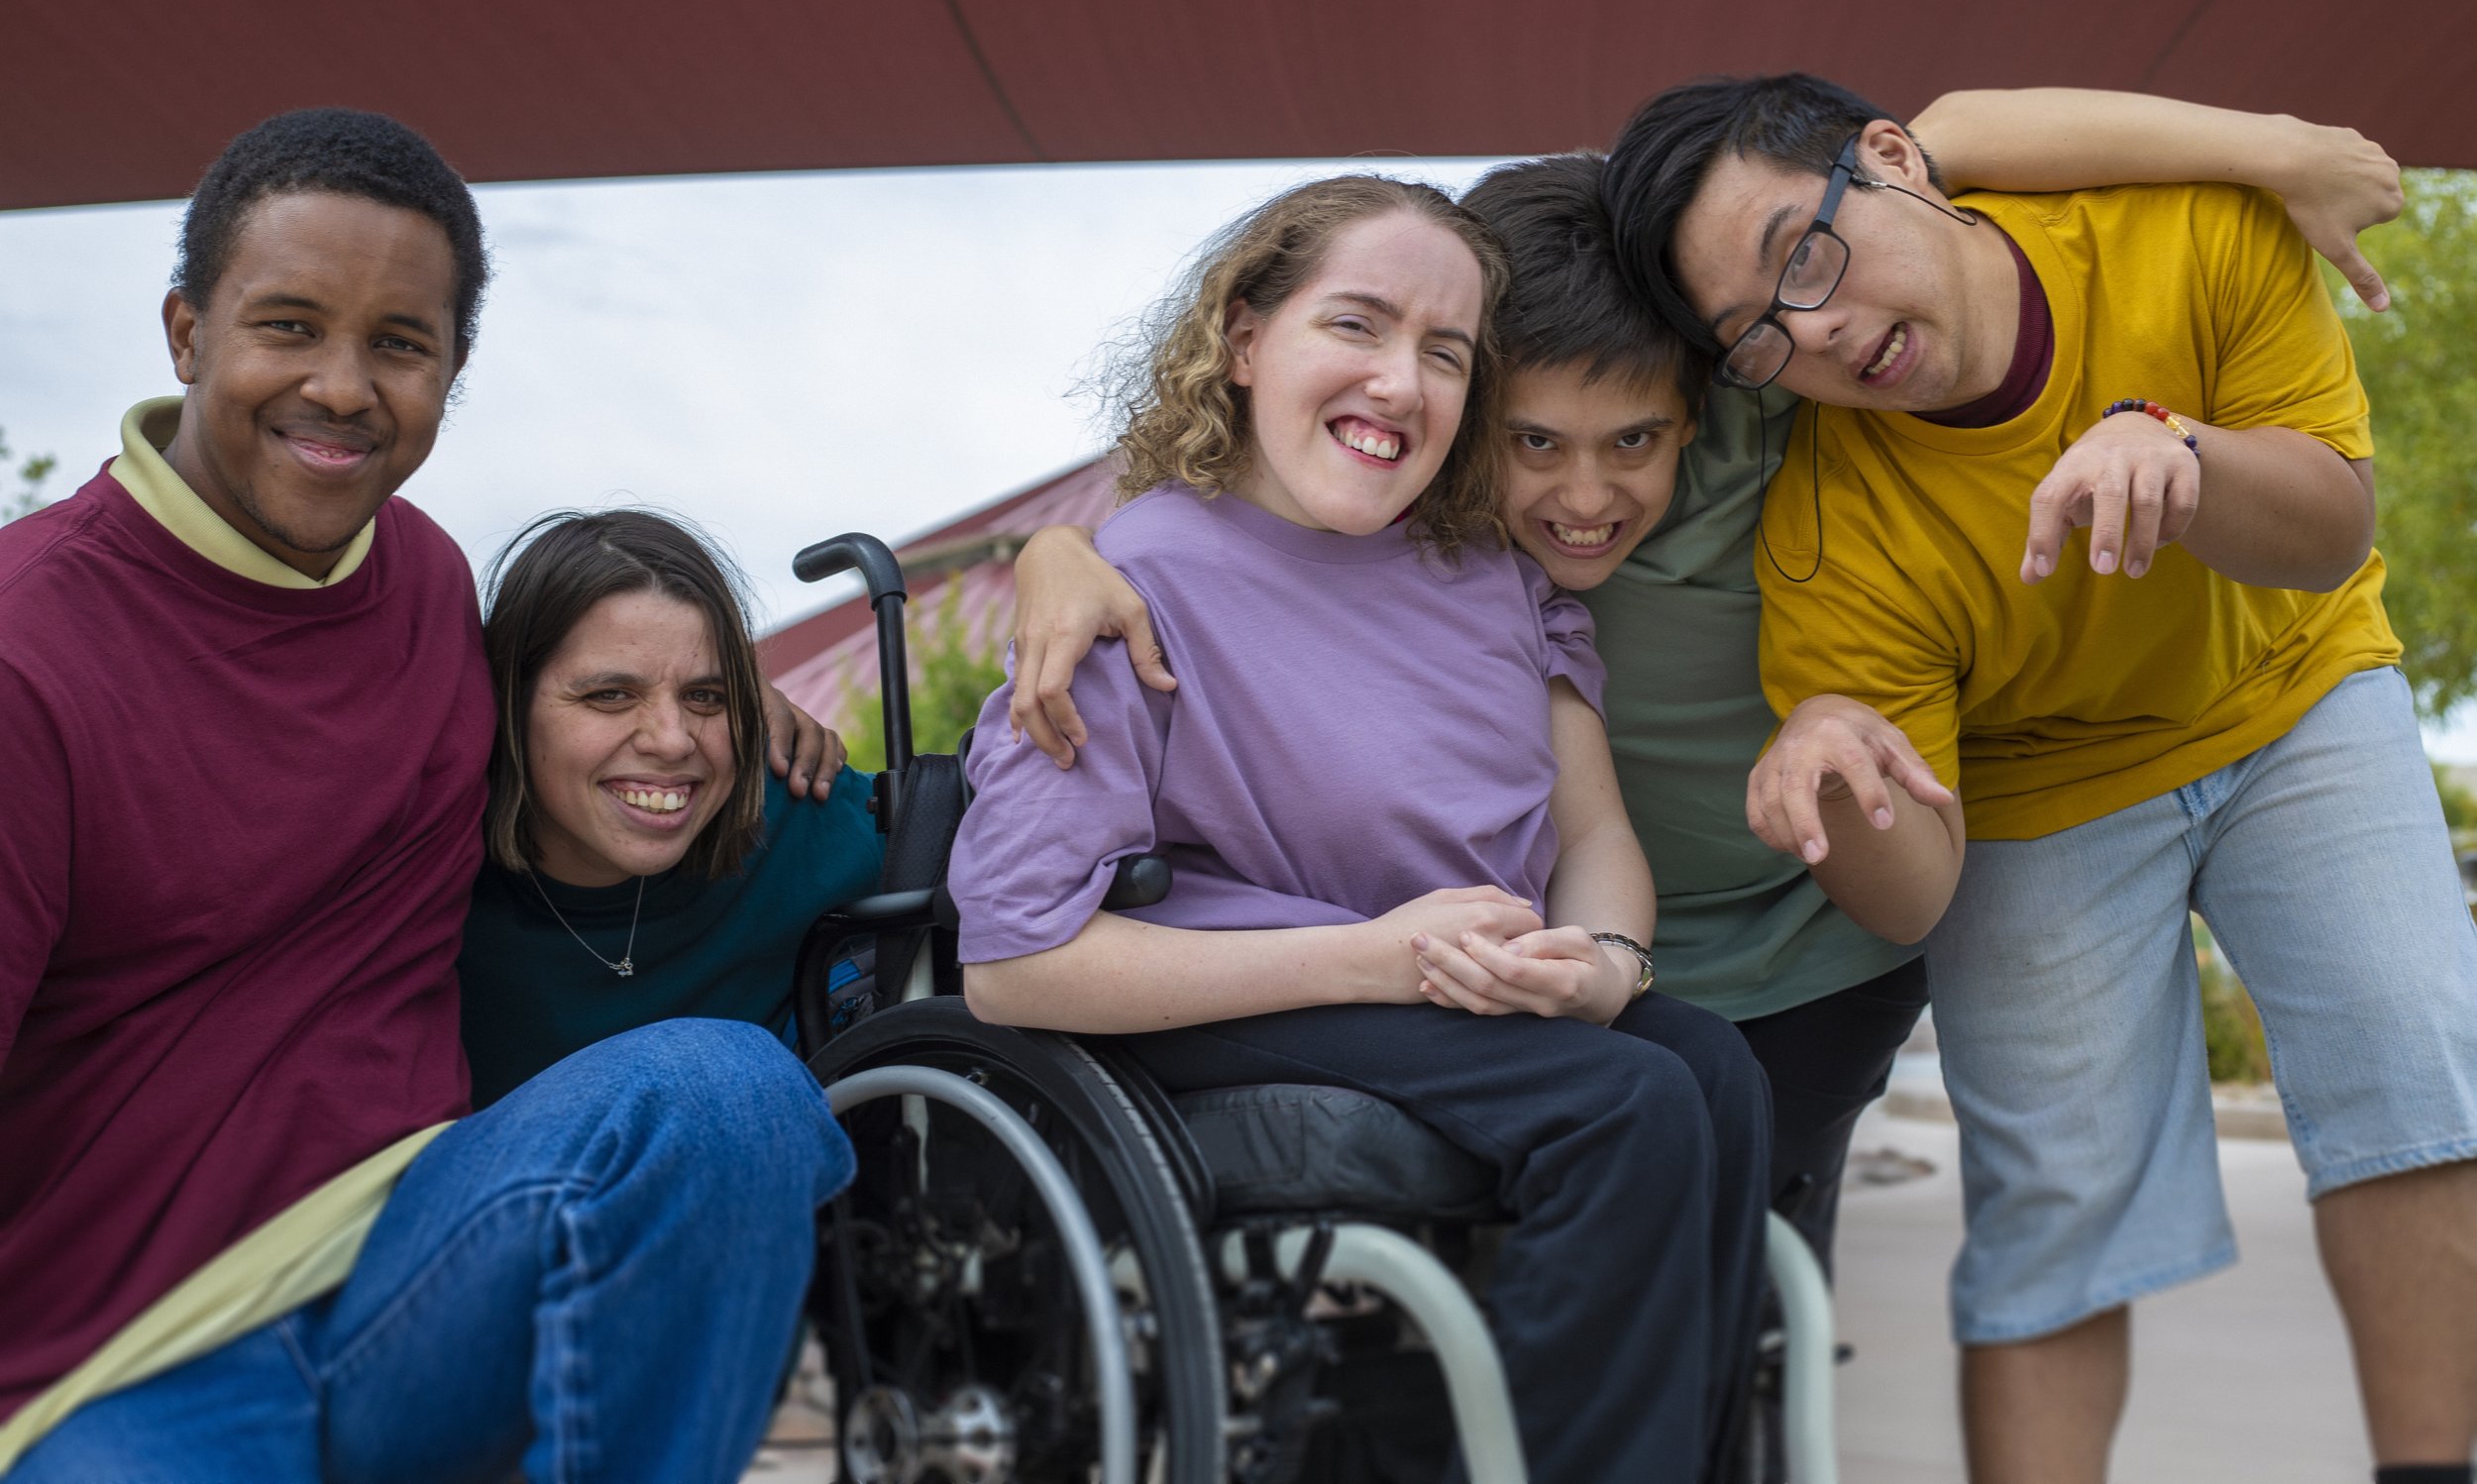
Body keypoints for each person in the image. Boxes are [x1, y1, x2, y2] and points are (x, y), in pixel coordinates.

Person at [1003, 90, 2409, 1276]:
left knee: (1751, 1283)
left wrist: (2277, 150)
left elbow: (1953, 132)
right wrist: (1057, 550)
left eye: (1632, 439)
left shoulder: (1767, 390)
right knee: (1551, 1274)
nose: (1584, 493)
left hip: (1804, 949)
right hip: (1550, 957)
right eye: (1528, 440)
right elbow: (1234, 473)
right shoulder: (1423, 494)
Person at [1602, 72, 2477, 1484]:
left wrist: (2181, 450)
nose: (1813, 330)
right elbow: (1912, 897)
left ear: (1894, 163)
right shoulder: (1834, 532)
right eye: (1761, 337)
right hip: (2039, 780)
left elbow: (2329, 533)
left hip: (2295, 687)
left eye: (1804, 256)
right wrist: (1841, 784)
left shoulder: (2188, 233)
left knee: (2409, 1040)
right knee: (2053, 1195)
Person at [0, 109, 850, 1482]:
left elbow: (593, 726)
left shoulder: (426, 580)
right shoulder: (29, 648)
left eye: (401, 342)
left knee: (723, 1092)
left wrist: (729, 709)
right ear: (184, 332)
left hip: (429, 1254)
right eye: (288, 325)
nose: (343, 385)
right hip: (119, 1358)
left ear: (451, 371)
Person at [947, 174, 1774, 1484]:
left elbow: (1594, 827)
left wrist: (1609, 957)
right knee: (1627, 1105)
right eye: (1358, 323)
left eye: (1444, 352)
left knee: (1710, 1065)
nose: (1401, 379)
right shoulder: (1135, 579)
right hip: (1242, 988)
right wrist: (1375, 958)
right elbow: (1010, 959)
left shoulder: (1493, 575)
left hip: (1454, 988)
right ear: (1244, 338)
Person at [457, 509, 883, 1108]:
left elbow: (1024, 850)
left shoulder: (805, 815)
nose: (672, 739)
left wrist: (1056, 554)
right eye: (610, 695)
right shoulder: (425, 874)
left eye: (705, 695)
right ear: (508, 703)